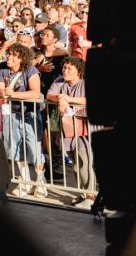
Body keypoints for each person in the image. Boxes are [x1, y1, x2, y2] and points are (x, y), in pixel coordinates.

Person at [0, 43, 47, 197]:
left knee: (34, 148)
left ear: (21, 58)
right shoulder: (2, 67)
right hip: (10, 113)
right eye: (8, 53)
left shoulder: (30, 70)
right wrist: (1, 92)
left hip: (29, 114)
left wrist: (12, 94)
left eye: (13, 55)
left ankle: (40, 183)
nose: (8, 57)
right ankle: (25, 181)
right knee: (15, 148)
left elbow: (35, 93)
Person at [46, 56, 94, 201]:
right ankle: (82, 193)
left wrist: (68, 99)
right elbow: (49, 95)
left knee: (84, 163)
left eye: (69, 68)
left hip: (85, 129)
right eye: (64, 67)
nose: (65, 71)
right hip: (68, 128)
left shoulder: (85, 83)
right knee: (75, 164)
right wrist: (61, 98)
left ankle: (90, 196)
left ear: (78, 71)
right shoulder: (59, 80)